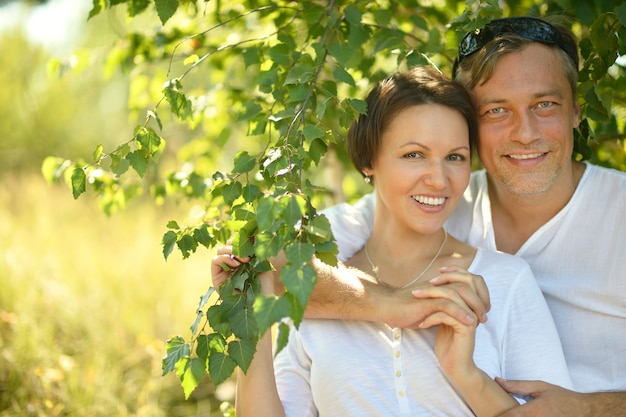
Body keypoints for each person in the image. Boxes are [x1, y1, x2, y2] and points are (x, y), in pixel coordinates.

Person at [213, 66, 572, 417]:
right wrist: (252, 311)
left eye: (455, 157)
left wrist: (467, 376)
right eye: (414, 155)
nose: (438, 179)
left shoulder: (506, 282)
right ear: (370, 160)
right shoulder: (315, 293)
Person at [317, 16, 626, 417]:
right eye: (497, 110)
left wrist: (590, 408)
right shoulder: (436, 203)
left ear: (575, 113)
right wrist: (391, 304)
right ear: (469, 126)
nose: (526, 132)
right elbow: (278, 260)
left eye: (544, 104)